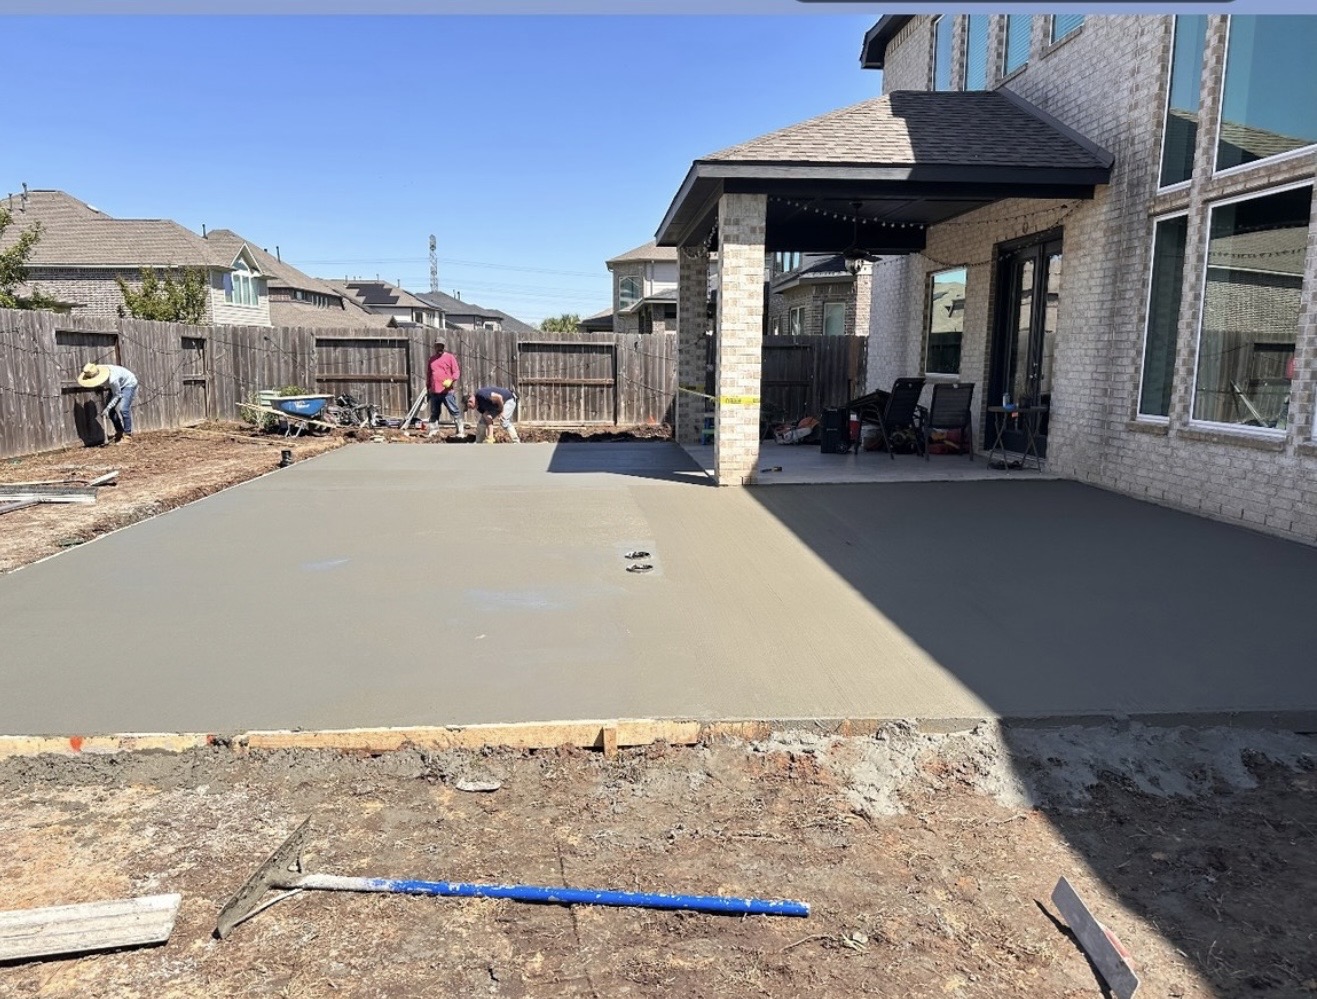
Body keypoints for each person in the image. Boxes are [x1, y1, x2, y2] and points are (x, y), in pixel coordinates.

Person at [77, 362, 139, 444]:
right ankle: (120, 431)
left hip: (128, 384)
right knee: (110, 412)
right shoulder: (95, 369)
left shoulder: (113, 379)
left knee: (123, 409)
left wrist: (107, 408)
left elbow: (117, 395)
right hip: (116, 385)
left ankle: (127, 435)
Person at [426, 340, 464, 439]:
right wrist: (428, 387)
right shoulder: (432, 359)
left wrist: (451, 379)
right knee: (434, 412)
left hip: (447, 392)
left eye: (441, 346)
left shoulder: (450, 357)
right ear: (435, 347)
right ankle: (434, 431)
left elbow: (456, 372)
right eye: (438, 346)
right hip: (434, 391)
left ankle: (460, 431)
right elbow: (429, 374)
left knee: (454, 411)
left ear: (444, 346)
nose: (440, 348)